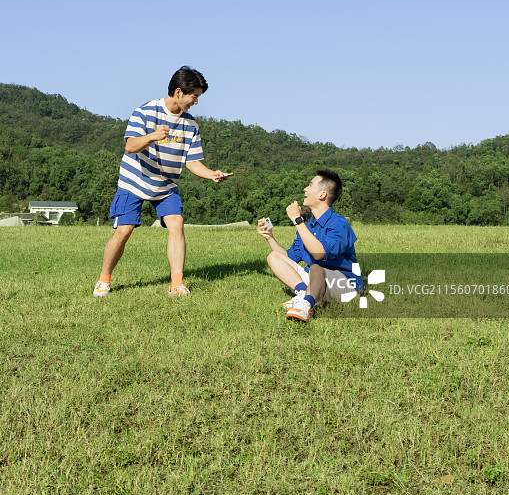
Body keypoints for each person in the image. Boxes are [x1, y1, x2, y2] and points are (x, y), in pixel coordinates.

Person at [93, 66, 232, 298]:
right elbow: (129, 146)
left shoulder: (191, 125)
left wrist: (211, 174)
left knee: (177, 224)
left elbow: (192, 162)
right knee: (123, 232)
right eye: (194, 96)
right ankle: (104, 280)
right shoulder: (144, 112)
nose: (196, 102)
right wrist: (152, 136)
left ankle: (176, 285)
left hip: (166, 186)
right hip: (134, 181)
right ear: (179, 92)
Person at [257, 169, 363, 321]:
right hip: (315, 280)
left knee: (316, 268)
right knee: (274, 257)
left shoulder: (339, 224)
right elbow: (288, 258)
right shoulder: (308, 228)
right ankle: (303, 293)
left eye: (310, 185)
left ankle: (307, 305)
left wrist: (297, 220)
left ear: (322, 195)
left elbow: (319, 253)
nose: (305, 189)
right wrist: (270, 237)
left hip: (345, 285)